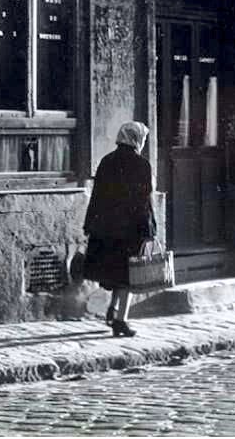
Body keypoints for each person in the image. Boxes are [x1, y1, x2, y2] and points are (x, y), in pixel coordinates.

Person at [83, 120, 156, 337]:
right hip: (129, 229)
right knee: (127, 276)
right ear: (137, 139)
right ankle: (121, 320)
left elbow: (96, 197)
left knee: (115, 272)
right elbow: (144, 202)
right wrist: (149, 229)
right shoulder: (142, 165)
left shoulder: (107, 161)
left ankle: (112, 310)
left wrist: (90, 224)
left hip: (106, 228)